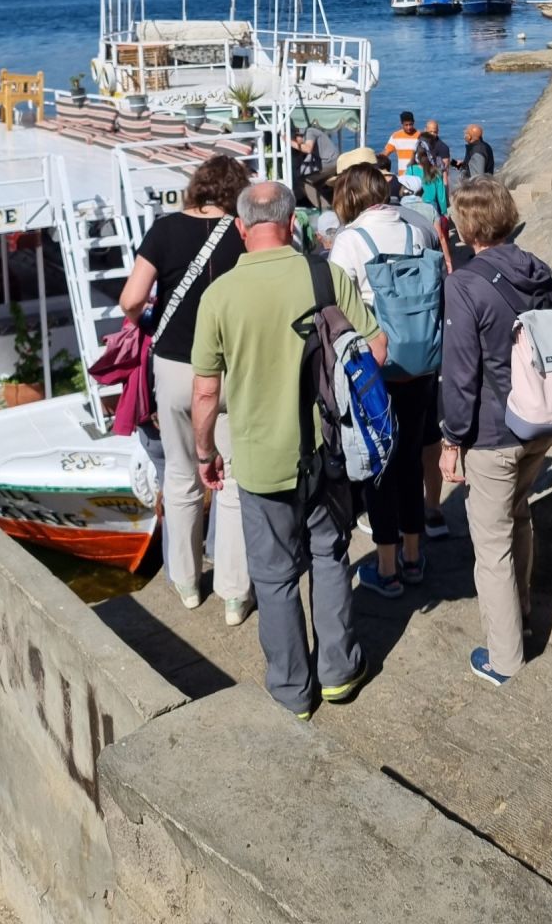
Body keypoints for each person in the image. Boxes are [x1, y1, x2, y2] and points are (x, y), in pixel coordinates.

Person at [191, 180, 386, 717]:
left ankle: (291, 692)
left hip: (260, 462)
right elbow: (376, 347)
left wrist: (205, 454)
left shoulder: (220, 295)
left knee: (274, 577)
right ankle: (340, 673)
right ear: (291, 220)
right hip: (328, 450)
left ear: (240, 228)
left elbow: (206, 392)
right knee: (329, 554)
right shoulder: (326, 274)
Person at [119, 154, 253, 625]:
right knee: (233, 475)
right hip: (232, 365)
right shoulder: (244, 231)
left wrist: (151, 321)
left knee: (179, 471)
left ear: (197, 187)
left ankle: (187, 582)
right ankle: (235, 595)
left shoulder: (164, 229)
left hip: (175, 364)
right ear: (237, 190)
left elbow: (132, 299)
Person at [439, 176, 552, 685]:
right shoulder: (538, 269)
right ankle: (524, 611)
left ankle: (504, 658)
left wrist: (451, 439)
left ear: (467, 226)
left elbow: (461, 372)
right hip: (542, 420)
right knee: (518, 517)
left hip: (492, 432)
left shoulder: (464, 284)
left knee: (490, 546)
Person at [329, 163, 441, 596]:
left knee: (378, 465)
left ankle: (388, 566)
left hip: (375, 369)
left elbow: (339, 306)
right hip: (421, 364)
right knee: (411, 459)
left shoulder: (350, 240)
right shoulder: (418, 229)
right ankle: (414, 556)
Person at [383, 110, 420, 176]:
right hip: (402, 176)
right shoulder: (395, 136)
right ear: (401, 123)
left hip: (418, 174)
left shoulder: (420, 136)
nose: (408, 127)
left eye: (410, 124)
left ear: (413, 122)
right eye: (406, 125)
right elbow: (385, 154)